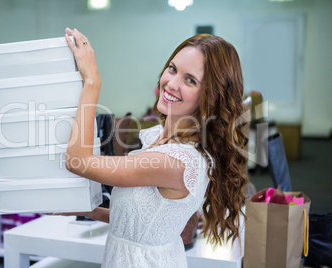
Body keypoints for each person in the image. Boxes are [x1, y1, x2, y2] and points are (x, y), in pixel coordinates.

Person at [55, 28, 248, 267]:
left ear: (211, 96)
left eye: (190, 80)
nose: (171, 83)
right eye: (173, 69)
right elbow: (143, 228)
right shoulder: (159, 138)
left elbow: (77, 161)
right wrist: (94, 212)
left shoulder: (177, 160)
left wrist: (92, 81)